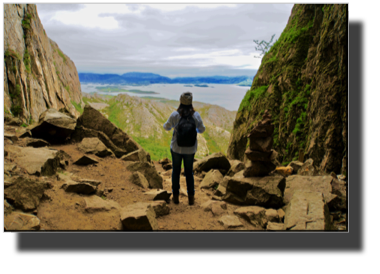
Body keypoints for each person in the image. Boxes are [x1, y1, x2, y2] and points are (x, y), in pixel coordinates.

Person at [163, 92, 205, 205]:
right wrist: (193, 130)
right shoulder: (195, 116)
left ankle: (176, 197)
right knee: (189, 172)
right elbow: (202, 129)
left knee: (176, 171)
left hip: (176, 148)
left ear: (180, 101)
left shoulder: (175, 115)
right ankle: (191, 198)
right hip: (190, 149)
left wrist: (174, 127)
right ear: (191, 102)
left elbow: (166, 127)